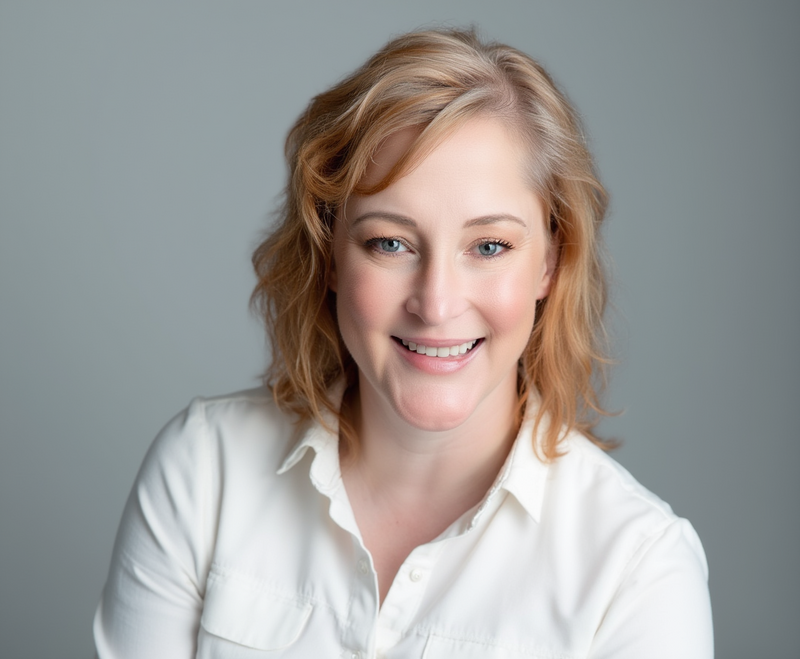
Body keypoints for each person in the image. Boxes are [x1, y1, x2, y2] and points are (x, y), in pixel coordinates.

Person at [94, 28, 713, 658]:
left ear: (551, 263)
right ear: (329, 255)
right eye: (390, 242)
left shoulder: (638, 572)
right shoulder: (203, 472)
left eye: (489, 246)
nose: (437, 304)